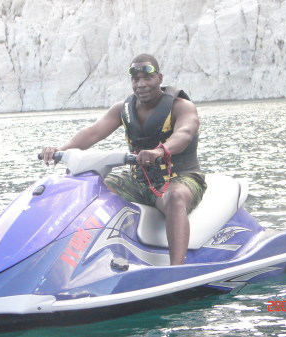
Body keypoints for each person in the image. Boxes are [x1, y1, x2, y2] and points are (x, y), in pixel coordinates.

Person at [41, 54, 206, 265]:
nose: (141, 84)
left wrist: (160, 151)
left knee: (175, 198)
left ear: (160, 78)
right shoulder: (123, 109)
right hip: (139, 180)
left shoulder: (181, 106)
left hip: (180, 178)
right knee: (93, 189)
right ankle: (75, 260)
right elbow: (92, 132)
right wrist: (61, 150)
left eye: (147, 78)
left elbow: (184, 133)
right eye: (135, 79)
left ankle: (176, 268)